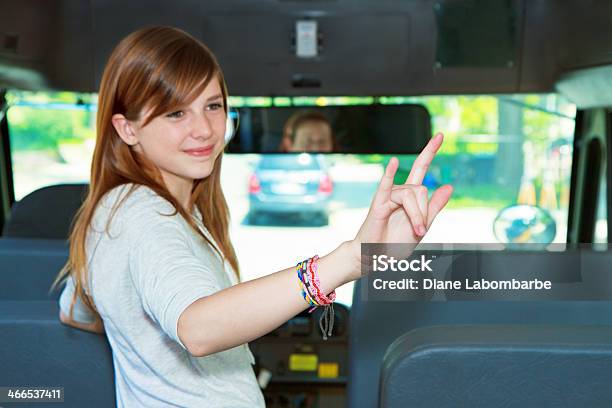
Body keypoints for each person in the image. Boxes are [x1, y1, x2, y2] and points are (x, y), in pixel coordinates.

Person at [52, 26, 453, 407]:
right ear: (127, 129)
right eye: (176, 113)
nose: (205, 130)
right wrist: (350, 260)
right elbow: (197, 328)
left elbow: (78, 309)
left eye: (212, 106)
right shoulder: (145, 216)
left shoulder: (118, 213)